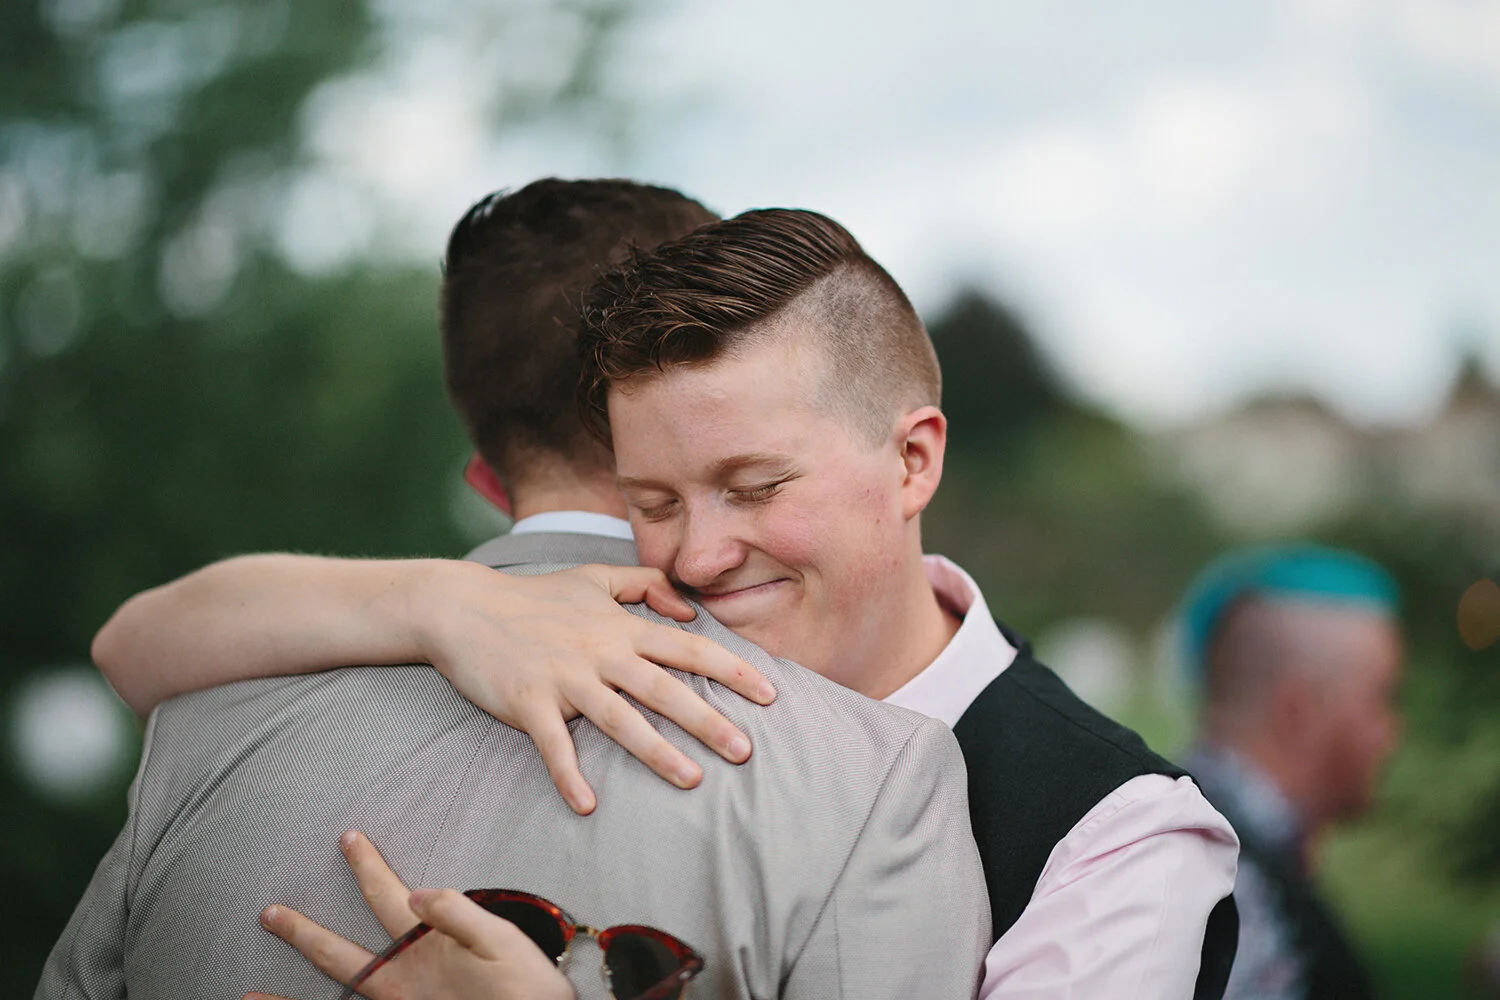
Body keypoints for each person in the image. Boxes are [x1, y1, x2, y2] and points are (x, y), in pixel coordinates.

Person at [89, 202, 1241, 997]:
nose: (695, 556)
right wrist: (443, 604)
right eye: (652, 499)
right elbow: (145, 647)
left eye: (754, 488)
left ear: (914, 461)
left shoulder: (1113, 835)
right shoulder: (585, 643)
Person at [1180, 544, 1404, 1000]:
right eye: (1381, 699)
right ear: (1297, 711)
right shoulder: (1228, 885)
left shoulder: (1201, 835)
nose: (1394, 733)